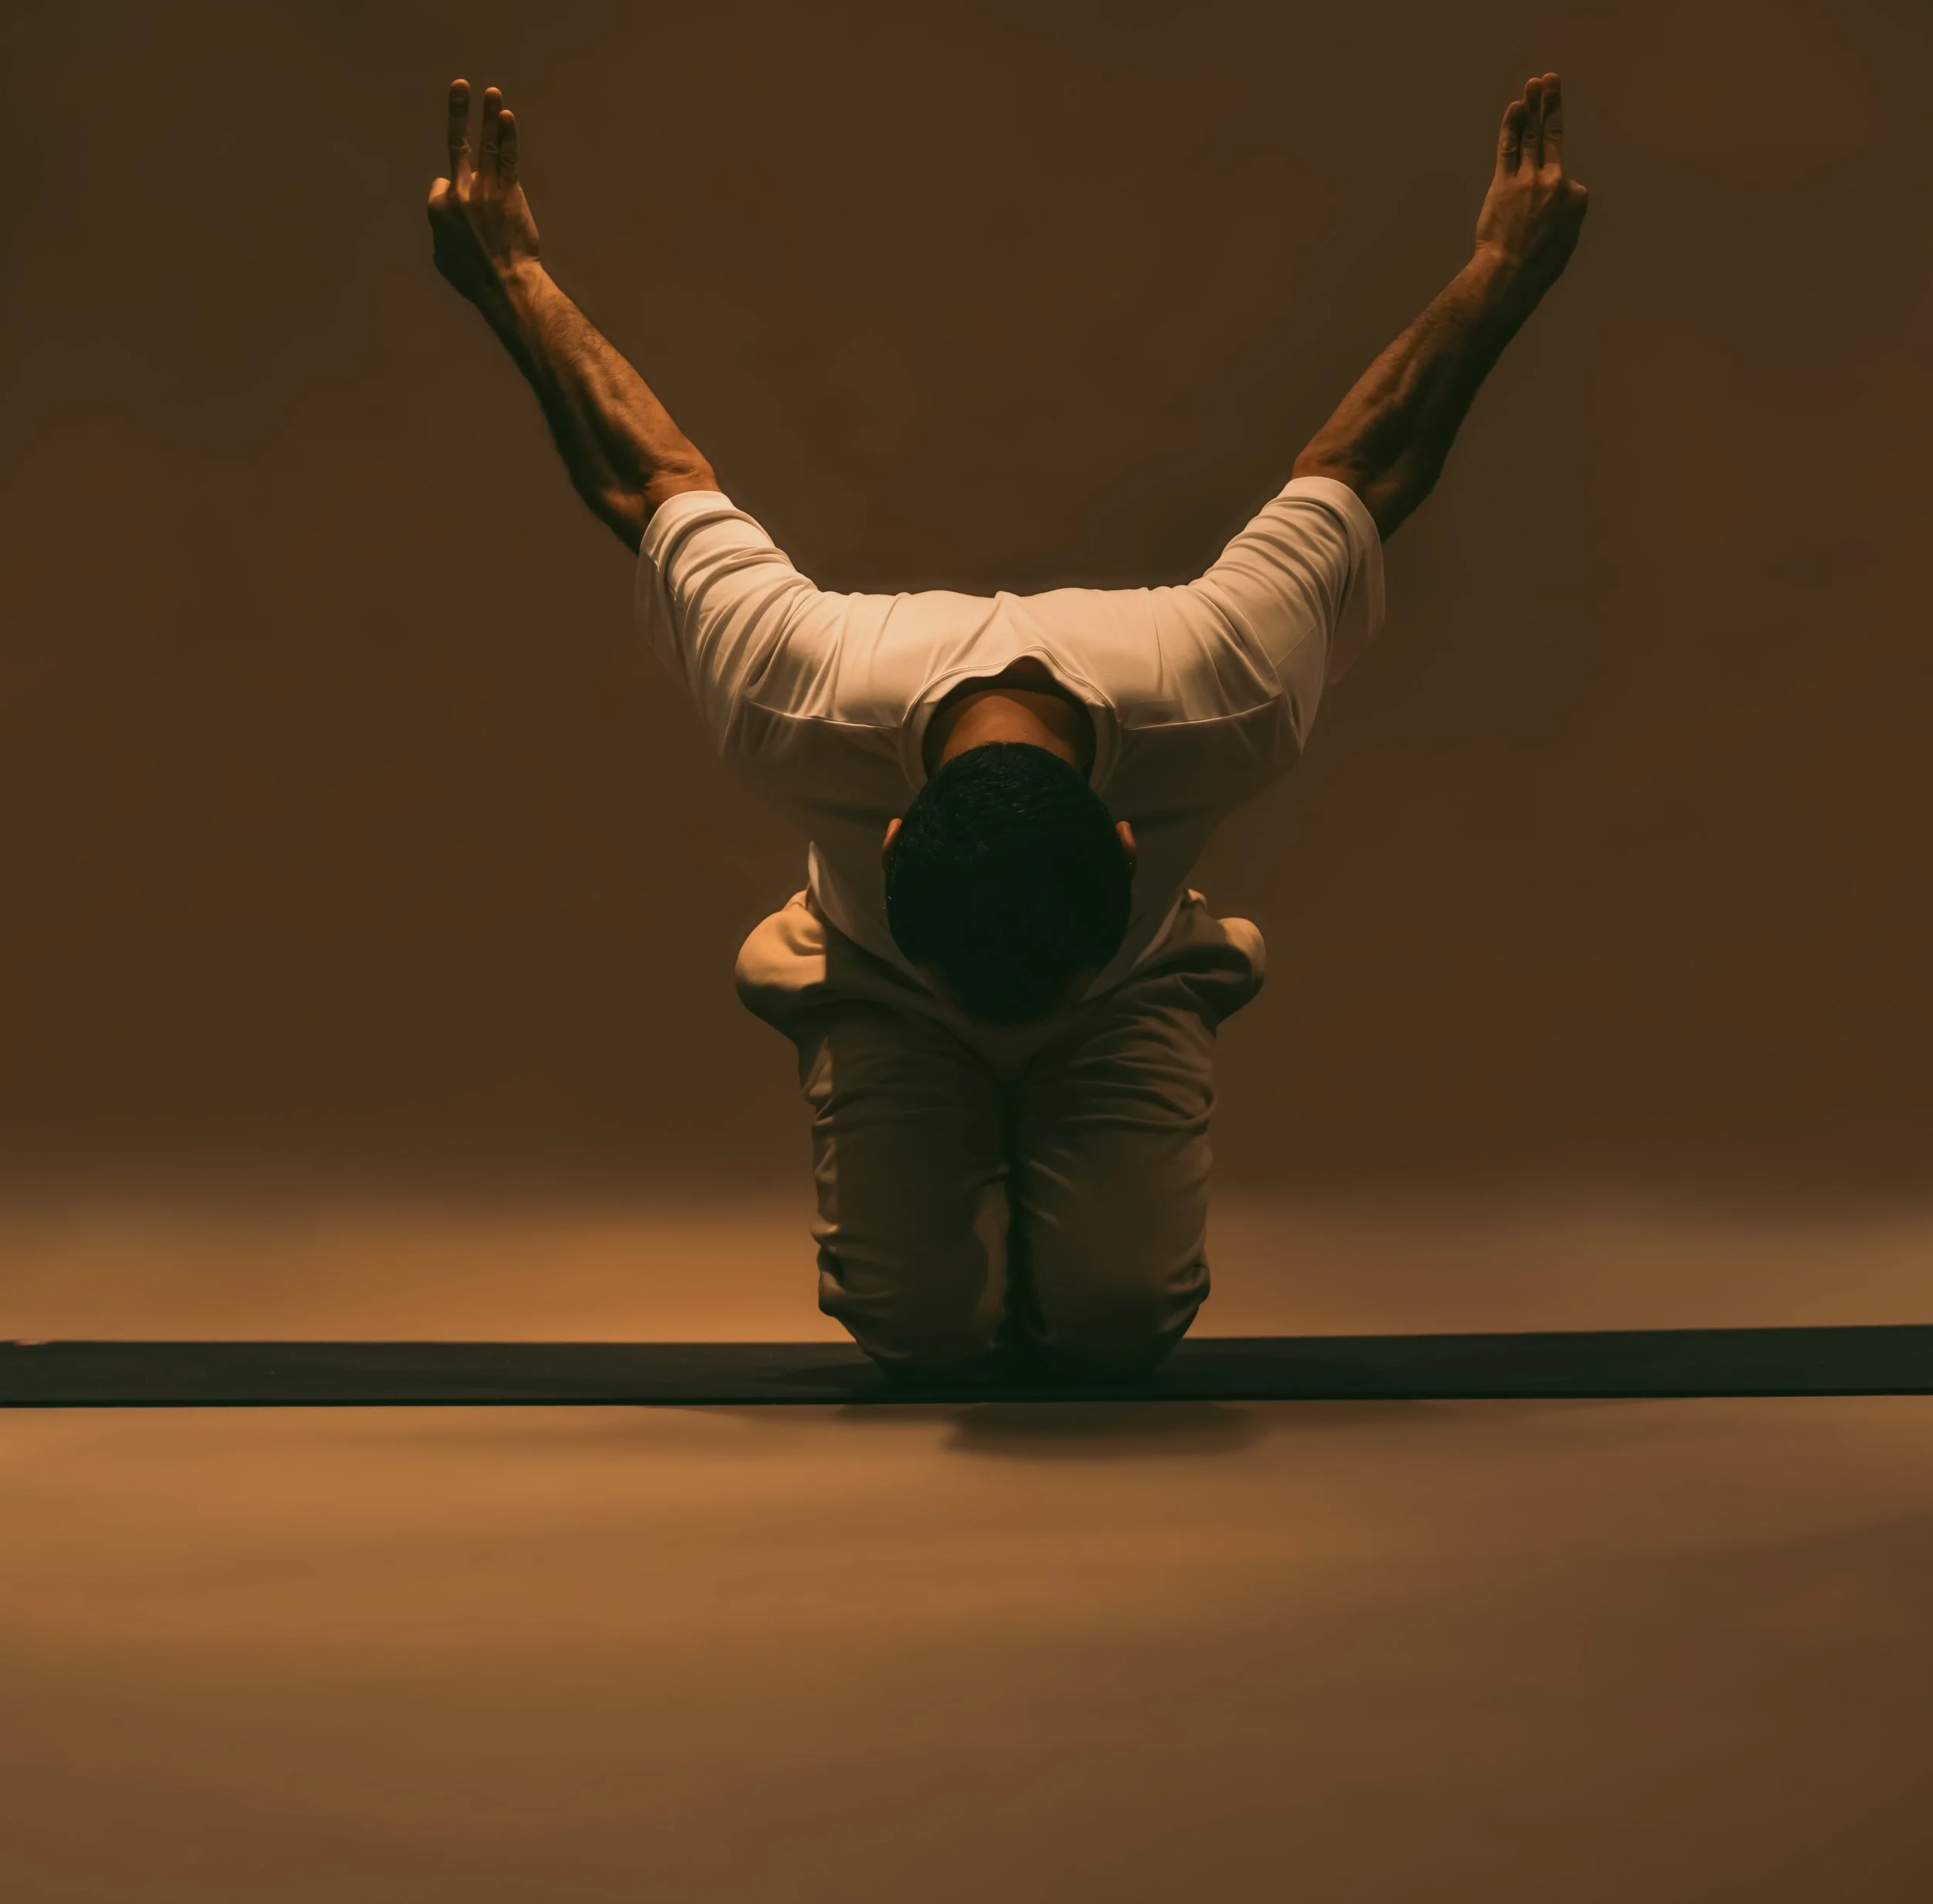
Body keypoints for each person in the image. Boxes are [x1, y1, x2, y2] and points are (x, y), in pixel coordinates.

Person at [427, 72, 1588, 1383]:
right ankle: (858, 1003)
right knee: (919, 1339)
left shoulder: (1220, 683)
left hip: (1126, 982)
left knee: (1115, 1333)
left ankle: (1140, 1019)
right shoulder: (799, 689)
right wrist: (511, 277)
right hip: (883, 985)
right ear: (896, 828)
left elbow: (1370, 464)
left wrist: (1505, 263)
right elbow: (644, 473)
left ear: (1130, 832)